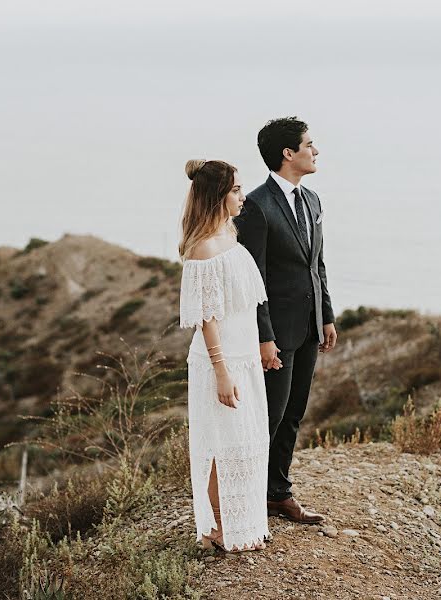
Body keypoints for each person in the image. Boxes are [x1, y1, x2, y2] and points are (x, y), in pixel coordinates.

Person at [234, 117, 338, 524]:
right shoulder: (256, 205)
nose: (316, 151)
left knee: (294, 413)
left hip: (309, 324)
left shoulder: (312, 201)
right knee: (270, 416)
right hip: (274, 333)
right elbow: (252, 277)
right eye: (309, 144)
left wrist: (326, 315)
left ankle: (278, 493)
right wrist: (263, 336)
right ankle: (248, 496)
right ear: (287, 154)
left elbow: (318, 264)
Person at [178, 158, 275, 552]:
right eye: (236, 189)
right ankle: (218, 529)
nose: (243, 196)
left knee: (249, 443)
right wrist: (221, 370)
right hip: (221, 361)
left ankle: (242, 524)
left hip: (244, 355)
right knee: (221, 446)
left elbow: (242, 305)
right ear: (218, 195)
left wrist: (258, 348)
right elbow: (206, 317)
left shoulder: (231, 235)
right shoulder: (202, 248)